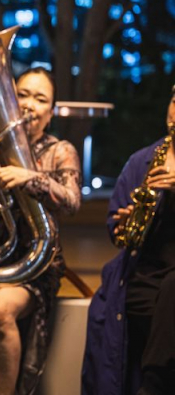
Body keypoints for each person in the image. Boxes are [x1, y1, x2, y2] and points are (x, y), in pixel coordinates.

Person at [0, 67, 82, 395]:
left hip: (36, 267)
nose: (29, 105)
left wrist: (31, 178)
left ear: (50, 114)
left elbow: (71, 201)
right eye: (21, 94)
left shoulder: (59, 150)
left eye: (40, 99)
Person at [82, 87, 175, 395]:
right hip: (144, 273)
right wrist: (126, 221)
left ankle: (151, 386)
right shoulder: (142, 161)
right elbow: (116, 231)